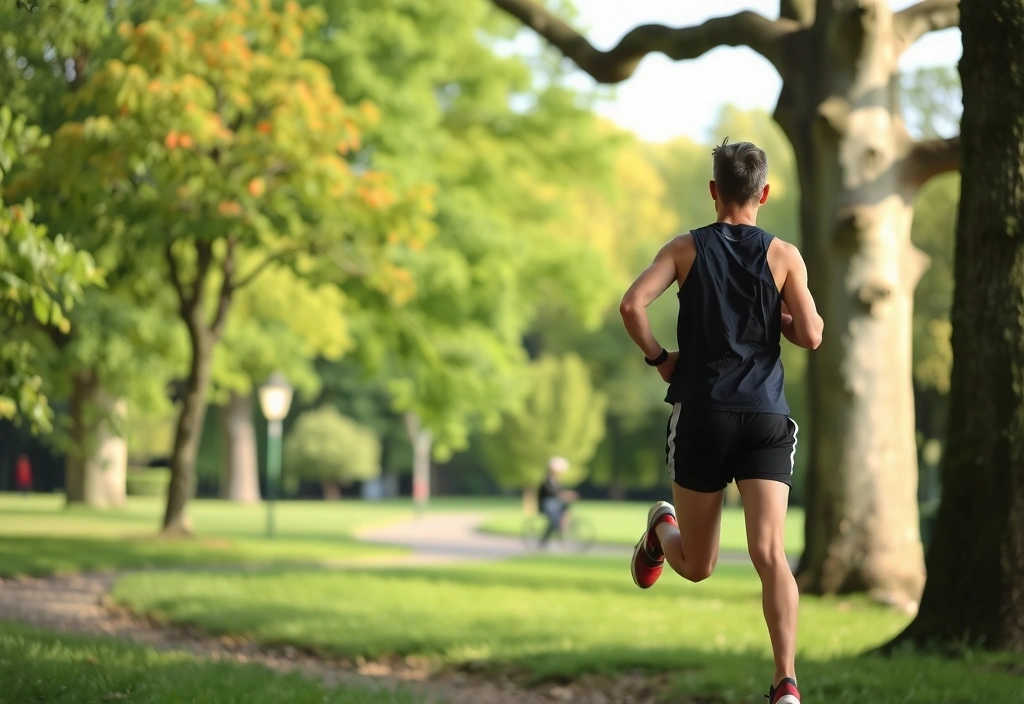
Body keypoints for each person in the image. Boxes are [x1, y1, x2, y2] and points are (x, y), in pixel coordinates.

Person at [618, 139, 822, 704]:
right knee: (768, 553)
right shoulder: (785, 256)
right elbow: (811, 335)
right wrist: (782, 313)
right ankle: (663, 523)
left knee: (701, 565)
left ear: (714, 192)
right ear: (764, 192)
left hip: (704, 413)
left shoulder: (685, 249)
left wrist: (661, 360)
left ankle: (786, 685)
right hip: (762, 415)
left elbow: (633, 305)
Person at [537, 457, 577, 548]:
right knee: (553, 521)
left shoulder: (555, 481)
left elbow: (558, 492)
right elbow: (552, 493)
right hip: (547, 504)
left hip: (554, 504)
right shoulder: (546, 481)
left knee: (564, 510)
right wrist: (563, 495)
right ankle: (558, 533)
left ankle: (561, 528)